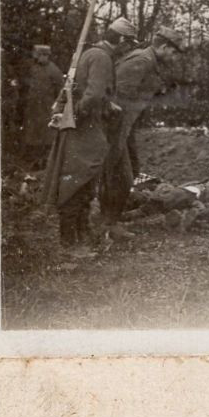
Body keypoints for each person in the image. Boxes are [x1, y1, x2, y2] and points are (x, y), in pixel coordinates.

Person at [48, 17, 135, 250]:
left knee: (80, 180)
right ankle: (71, 243)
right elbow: (93, 95)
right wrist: (77, 115)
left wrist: (106, 105)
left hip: (80, 125)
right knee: (80, 181)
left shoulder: (90, 53)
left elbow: (90, 92)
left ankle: (79, 238)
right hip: (85, 129)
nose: (129, 49)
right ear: (122, 40)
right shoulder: (102, 57)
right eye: (129, 44)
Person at [100, 25, 184, 222]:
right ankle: (108, 222)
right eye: (173, 51)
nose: (174, 57)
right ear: (163, 46)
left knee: (129, 172)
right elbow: (116, 97)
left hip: (125, 126)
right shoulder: (142, 61)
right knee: (119, 175)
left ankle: (108, 218)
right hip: (116, 125)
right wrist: (116, 134)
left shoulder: (150, 62)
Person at [19, 44, 65, 165]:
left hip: (47, 107)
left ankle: (46, 160)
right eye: (39, 55)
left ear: (47, 56)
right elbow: (26, 85)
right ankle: (33, 159)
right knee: (33, 133)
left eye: (44, 55)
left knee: (46, 134)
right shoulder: (32, 68)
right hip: (33, 106)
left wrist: (56, 105)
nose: (41, 58)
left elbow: (60, 90)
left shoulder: (54, 70)